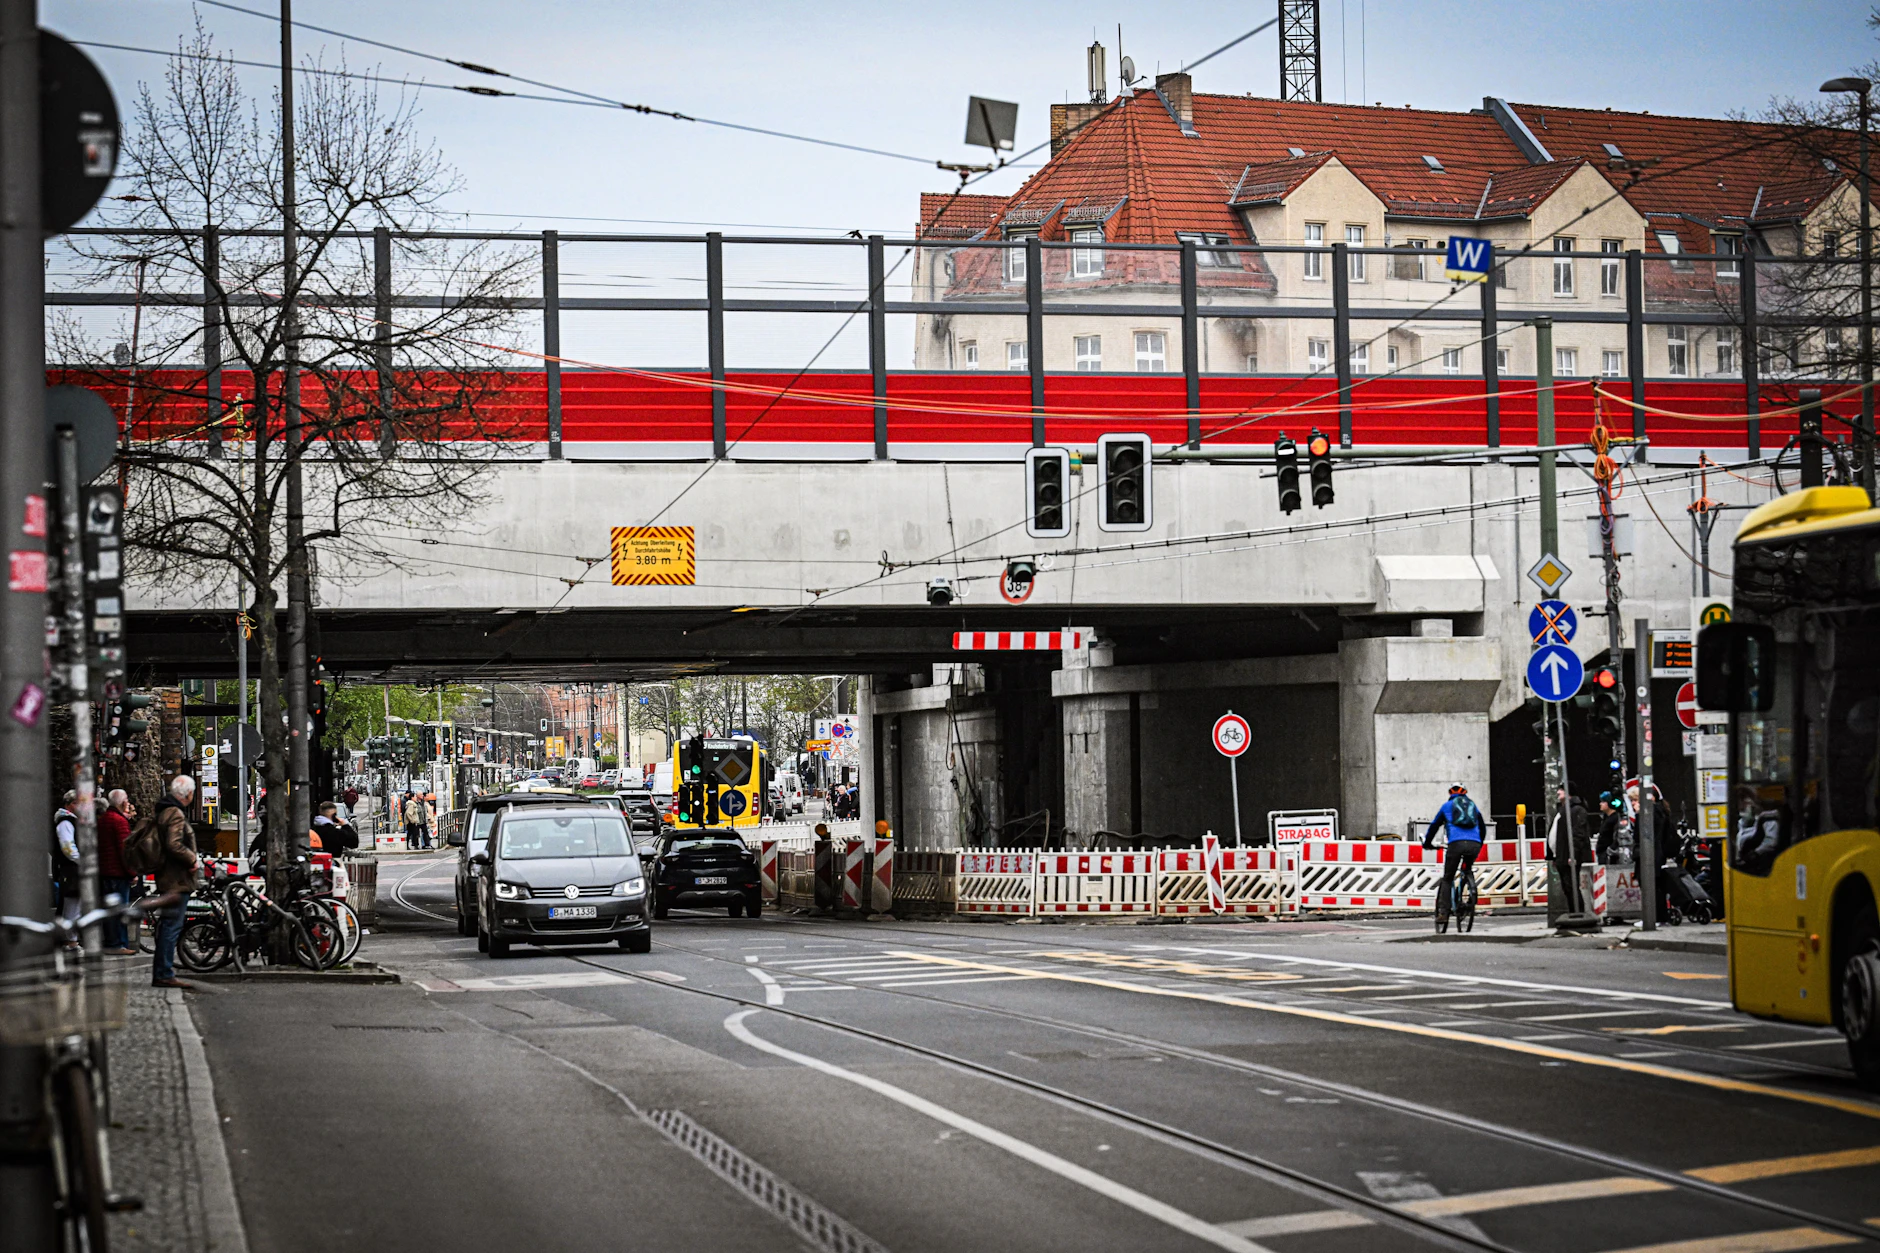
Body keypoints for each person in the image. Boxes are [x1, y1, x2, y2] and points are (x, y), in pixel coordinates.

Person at [152, 775, 201, 990]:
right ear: (187, 794)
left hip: (168, 877)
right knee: (171, 927)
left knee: (168, 926)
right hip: (176, 880)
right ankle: (164, 972)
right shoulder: (175, 814)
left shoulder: (164, 811)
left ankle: (163, 970)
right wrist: (192, 859)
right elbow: (174, 844)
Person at [1423, 783, 1485, 916]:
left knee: (1448, 878)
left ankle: (1443, 913)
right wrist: (1480, 843)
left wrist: (1427, 843)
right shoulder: (1473, 805)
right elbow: (1482, 827)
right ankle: (1471, 896)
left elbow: (1434, 826)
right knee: (1466, 869)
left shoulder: (1446, 806)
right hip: (1474, 844)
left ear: (1450, 793)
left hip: (1456, 844)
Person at [97, 790, 136, 954]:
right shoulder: (119, 822)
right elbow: (124, 850)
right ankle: (119, 944)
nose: (128, 803)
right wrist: (132, 872)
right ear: (122, 803)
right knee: (120, 910)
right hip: (118, 873)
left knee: (109, 911)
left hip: (105, 871)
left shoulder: (103, 819)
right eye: (126, 800)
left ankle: (111, 941)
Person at [51, 793, 82, 948]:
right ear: (72, 804)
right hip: (71, 871)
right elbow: (68, 848)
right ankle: (70, 941)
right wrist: (82, 860)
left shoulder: (69, 821)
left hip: (72, 869)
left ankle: (68, 939)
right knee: (72, 906)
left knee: (71, 906)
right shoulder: (66, 822)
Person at [1595, 792, 1622, 865]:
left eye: (1603, 802)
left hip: (1608, 856)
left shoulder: (1615, 819)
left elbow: (1616, 836)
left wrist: (1609, 851)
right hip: (1603, 854)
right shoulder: (1606, 818)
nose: (1600, 804)